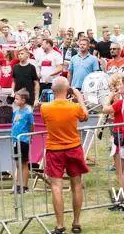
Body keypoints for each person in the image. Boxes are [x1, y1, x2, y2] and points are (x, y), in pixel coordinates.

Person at [40, 77, 89, 234]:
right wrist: (79, 98)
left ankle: (60, 225)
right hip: (73, 147)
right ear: (68, 90)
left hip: (54, 149)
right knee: (76, 184)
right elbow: (85, 116)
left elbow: (46, 121)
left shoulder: (45, 108)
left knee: (56, 186)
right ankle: (76, 222)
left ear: (52, 90)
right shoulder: (74, 107)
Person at [102, 74, 124, 212]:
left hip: (122, 136)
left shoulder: (123, 102)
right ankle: (123, 198)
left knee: (123, 171)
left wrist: (108, 98)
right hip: (123, 135)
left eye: (121, 85)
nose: (118, 87)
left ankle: (123, 201)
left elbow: (105, 109)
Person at [12, 89, 34, 194]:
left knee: (23, 163)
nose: (15, 100)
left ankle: (24, 186)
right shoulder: (15, 112)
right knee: (17, 163)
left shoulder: (28, 112)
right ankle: (18, 185)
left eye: (17, 99)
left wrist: (30, 137)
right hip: (15, 139)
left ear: (23, 100)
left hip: (23, 140)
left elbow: (31, 125)